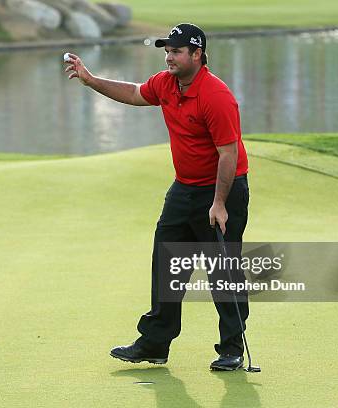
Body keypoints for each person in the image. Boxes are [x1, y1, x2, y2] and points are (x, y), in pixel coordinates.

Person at [64, 23, 250, 371]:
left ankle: (231, 348)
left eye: (177, 51)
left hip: (223, 189)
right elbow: (135, 93)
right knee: (167, 263)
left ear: (197, 55)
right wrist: (91, 81)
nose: (169, 57)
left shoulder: (216, 95)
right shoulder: (166, 83)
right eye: (167, 51)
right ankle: (155, 343)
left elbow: (228, 154)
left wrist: (219, 203)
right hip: (184, 188)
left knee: (221, 270)